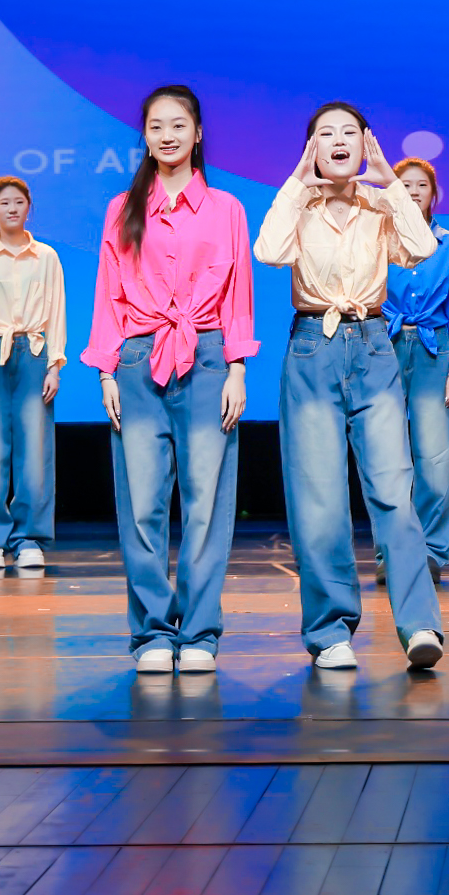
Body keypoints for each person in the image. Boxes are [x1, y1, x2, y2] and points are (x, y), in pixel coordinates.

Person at [255, 105, 445, 672]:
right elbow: (268, 251)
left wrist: (389, 180)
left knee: (393, 492)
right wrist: (297, 182)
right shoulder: (300, 205)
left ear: (366, 145)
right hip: (312, 345)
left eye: (349, 133)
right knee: (319, 499)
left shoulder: (380, 204)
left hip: (372, 344)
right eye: (325, 134)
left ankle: (419, 624)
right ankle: (330, 632)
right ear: (311, 147)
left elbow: (423, 248)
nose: (338, 141)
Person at [83, 85, 256, 675]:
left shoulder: (227, 209)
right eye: (156, 126)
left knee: (206, 505)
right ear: (145, 136)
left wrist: (236, 368)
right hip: (138, 359)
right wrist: (105, 369)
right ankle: (153, 632)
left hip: (206, 359)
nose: (168, 135)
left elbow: (238, 295)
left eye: (179, 124)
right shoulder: (122, 208)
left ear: (198, 133)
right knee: (142, 506)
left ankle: (200, 632)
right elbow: (108, 292)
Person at [0, 176, 67, 577]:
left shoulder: (46, 256)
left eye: (19, 202)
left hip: (34, 352)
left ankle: (29, 539)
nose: (12, 209)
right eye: (4, 203)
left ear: (28, 207)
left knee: (35, 449)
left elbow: (56, 310)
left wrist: (55, 364)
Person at [383, 155, 449, 575]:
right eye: (406, 185)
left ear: (434, 194)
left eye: (422, 185)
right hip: (385, 347)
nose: (414, 191)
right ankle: (390, 553)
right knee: (385, 456)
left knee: (437, 457)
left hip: (436, 351)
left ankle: (431, 552)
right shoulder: (379, 238)